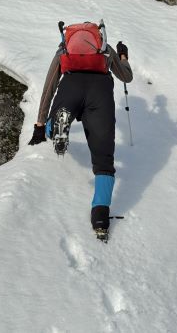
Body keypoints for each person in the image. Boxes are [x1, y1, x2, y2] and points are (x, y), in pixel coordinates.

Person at [28, 21, 133, 237]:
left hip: (71, 86)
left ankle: (54, 127)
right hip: (100, 93)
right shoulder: (105, 49)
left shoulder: (64, 50)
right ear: (98, 35)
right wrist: (123, 56)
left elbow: (49, 86)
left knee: (59, 118)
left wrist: (40, 124)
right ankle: (100, 217)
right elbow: (126, 77)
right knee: (104, 158)